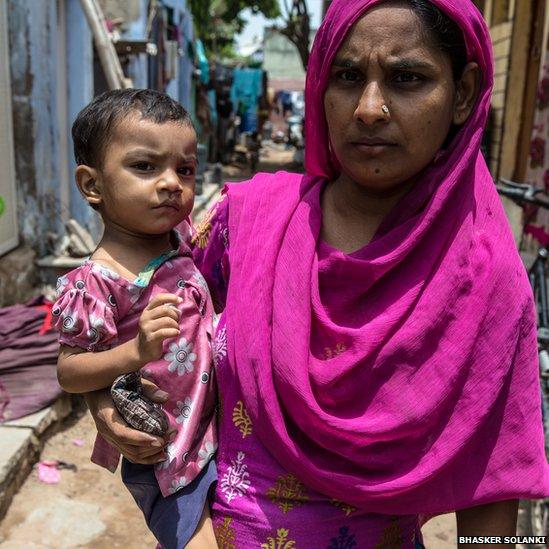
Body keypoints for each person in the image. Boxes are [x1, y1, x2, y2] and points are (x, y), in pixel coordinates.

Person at [85, 1, 549, 547]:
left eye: (407, 78)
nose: (370, 108)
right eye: (348, 76)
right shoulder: (247, 222)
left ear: (464, 94)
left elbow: (491, 497)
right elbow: (138, 329)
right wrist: (105, 401)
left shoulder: (486, 281)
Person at [52, 89, 218, 549]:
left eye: (184, 169)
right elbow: (69, 372)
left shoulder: (182, 241)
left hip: (216, 434)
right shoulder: (96, 283)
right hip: (165, 454)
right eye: (145, 167)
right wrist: (134, 353)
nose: (171, 183)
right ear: (92, 185)